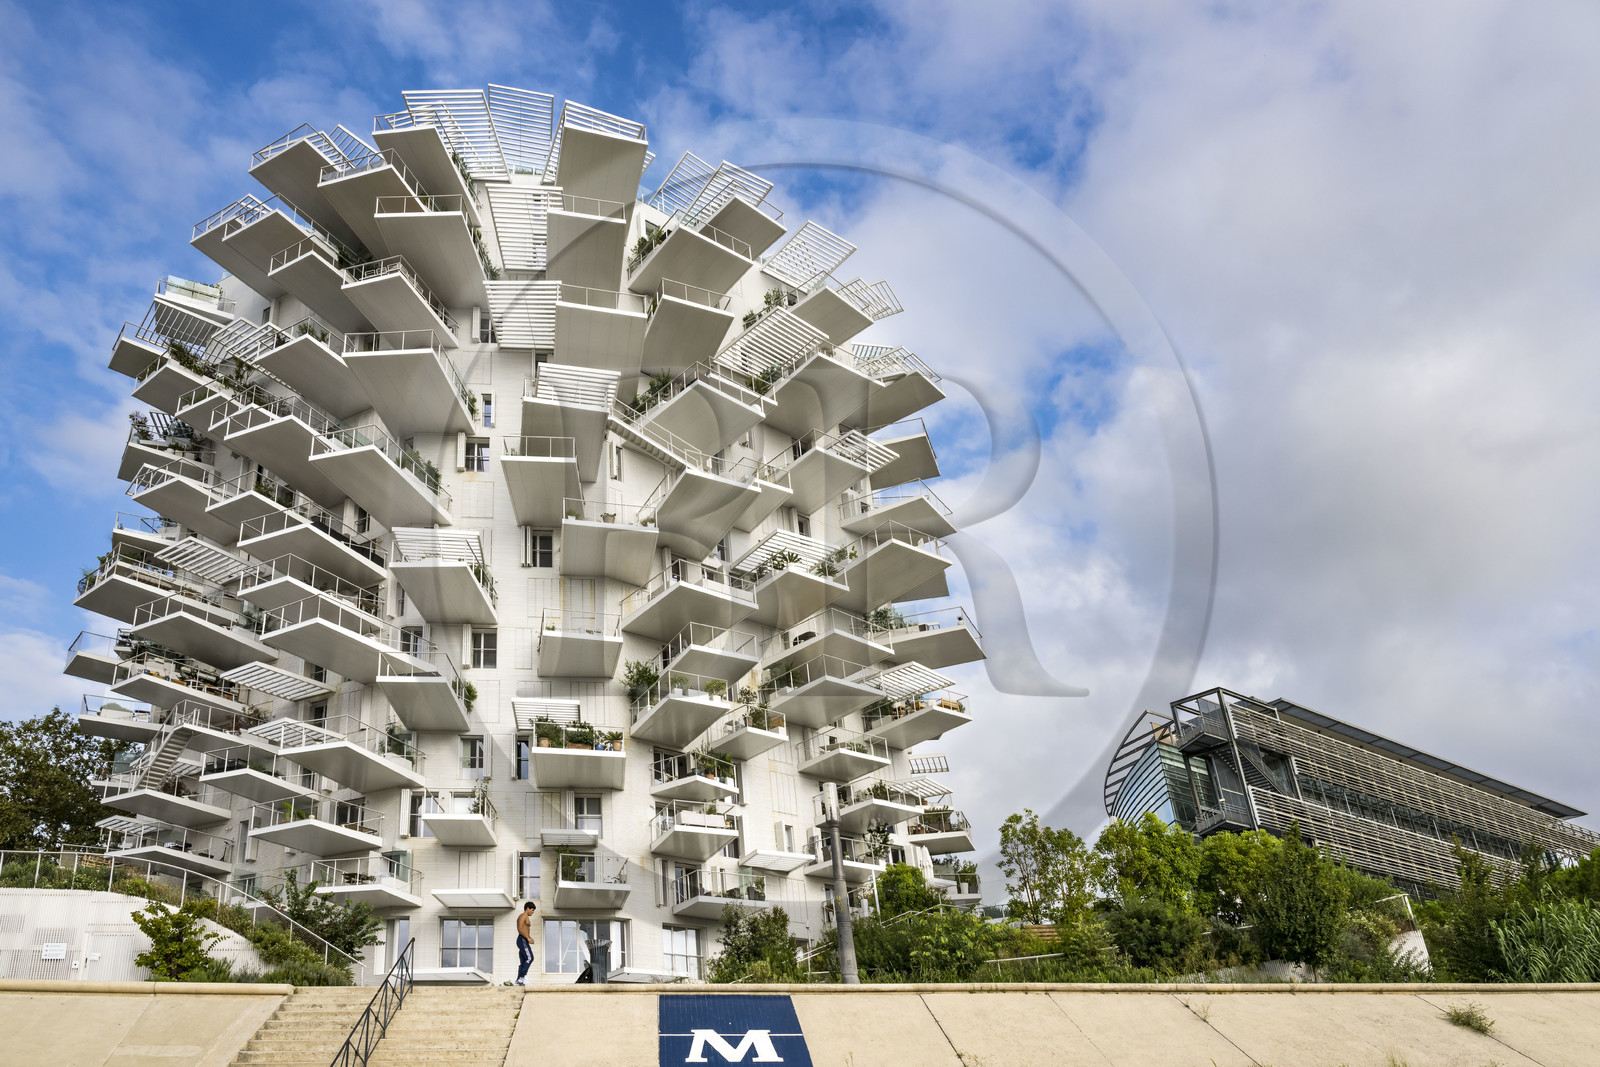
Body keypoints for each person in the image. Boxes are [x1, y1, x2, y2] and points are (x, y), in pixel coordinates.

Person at [515, 901, 536, 986]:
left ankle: (518, 980)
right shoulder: (522, 916)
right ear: (527, 908)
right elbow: (520, 929)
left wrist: (529, 938)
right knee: (530, 957)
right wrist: (527, 938)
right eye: (532, 910)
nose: (533, 912)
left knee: (524, 961)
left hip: (524, 940)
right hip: (522, 939)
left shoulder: (526, 917)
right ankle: (522, 976)